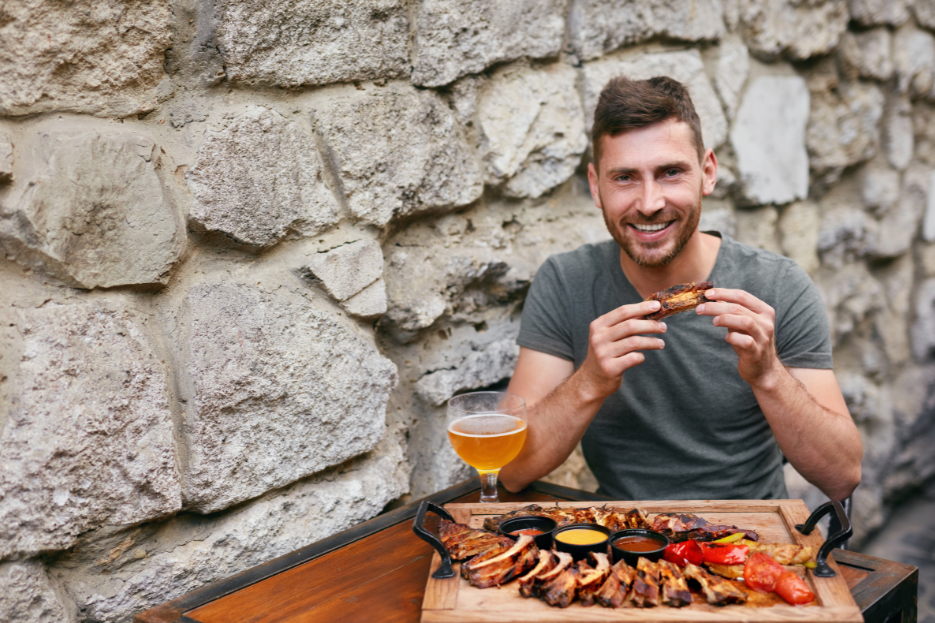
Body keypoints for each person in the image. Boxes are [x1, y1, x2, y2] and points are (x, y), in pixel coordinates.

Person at [499, 75, 862, 502]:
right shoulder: (567, 282)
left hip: (751, 540)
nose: (650, 202)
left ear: (707, 172)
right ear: (596, 185)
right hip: (623, 539)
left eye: (670, 172)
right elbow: (508, 470)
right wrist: (589, 381)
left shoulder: (778, 285)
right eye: (625, 178)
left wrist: (768, 375)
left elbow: (843, 475)